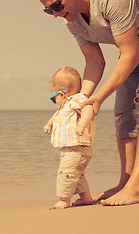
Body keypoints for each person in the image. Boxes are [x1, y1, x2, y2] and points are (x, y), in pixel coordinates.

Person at [35, 0, 139, 206]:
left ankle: (136, 187)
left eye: (57, 5)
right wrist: (82, 99)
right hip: (132, 47)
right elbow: (94, 61)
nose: (56, 14)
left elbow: (130, 54)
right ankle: (125, 182)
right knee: (122, 111)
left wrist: (100, 97)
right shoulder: (72, 18)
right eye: (49, 10)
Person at [44, 67, 95, 209]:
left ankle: (64, 200)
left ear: (61, 94)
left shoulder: (77, 100)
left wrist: (82, 125)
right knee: (76, 174)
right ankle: (85, 198)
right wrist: (49, 124)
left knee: (65, 172)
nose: (54, 100)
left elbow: (88, 109)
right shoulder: (65, 106)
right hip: (70, 148)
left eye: (53, 98)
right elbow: (56, 116)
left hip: (78, 148)